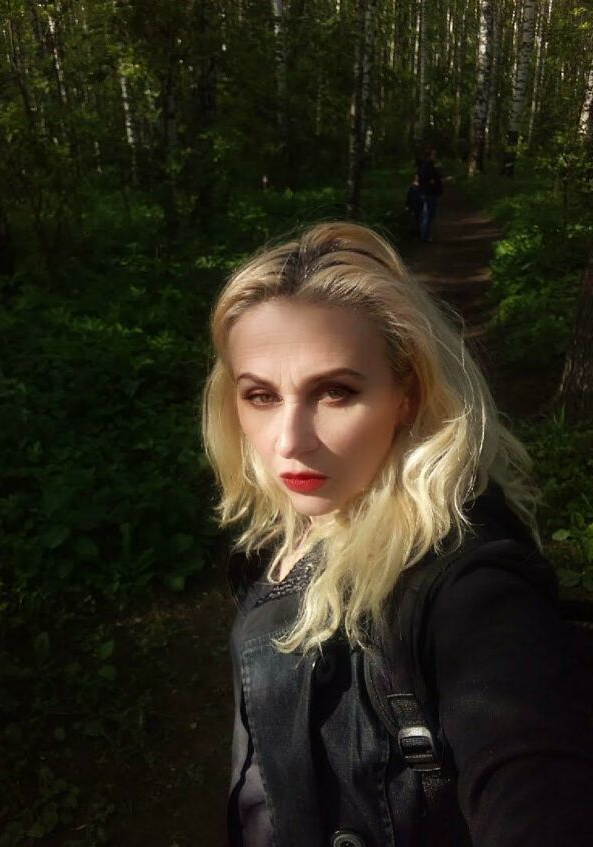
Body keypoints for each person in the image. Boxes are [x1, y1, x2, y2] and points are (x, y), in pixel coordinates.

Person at [200, 221, 593, 846]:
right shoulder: (284, 530)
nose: (289, 442)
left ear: (406, 395)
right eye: (261, 396)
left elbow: (532, 779)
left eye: (335, 392)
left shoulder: (466, 587)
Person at [417, 147, 444, 243]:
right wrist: (432, 182)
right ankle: (425, 236)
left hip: (428, 192)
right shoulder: (427, 166)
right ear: (429, 156)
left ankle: (424, 234)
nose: (435, 156)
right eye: (433, 154)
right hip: (429, 193)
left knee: (427, 214)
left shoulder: (427, 165)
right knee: (428, 215)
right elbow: (425, 179)